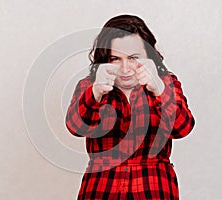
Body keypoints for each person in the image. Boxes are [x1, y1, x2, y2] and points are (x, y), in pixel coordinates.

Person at [65, 14, 195, 200]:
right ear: (105, 59)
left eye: (133, 58)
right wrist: (95, 92)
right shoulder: (90, 86)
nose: (125, 68)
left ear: (149, 55)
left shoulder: (166, 83)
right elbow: (74, 127)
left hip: (153, 187)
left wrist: (158, 89)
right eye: (115, 58)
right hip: (101, 188)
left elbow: (183, 128)